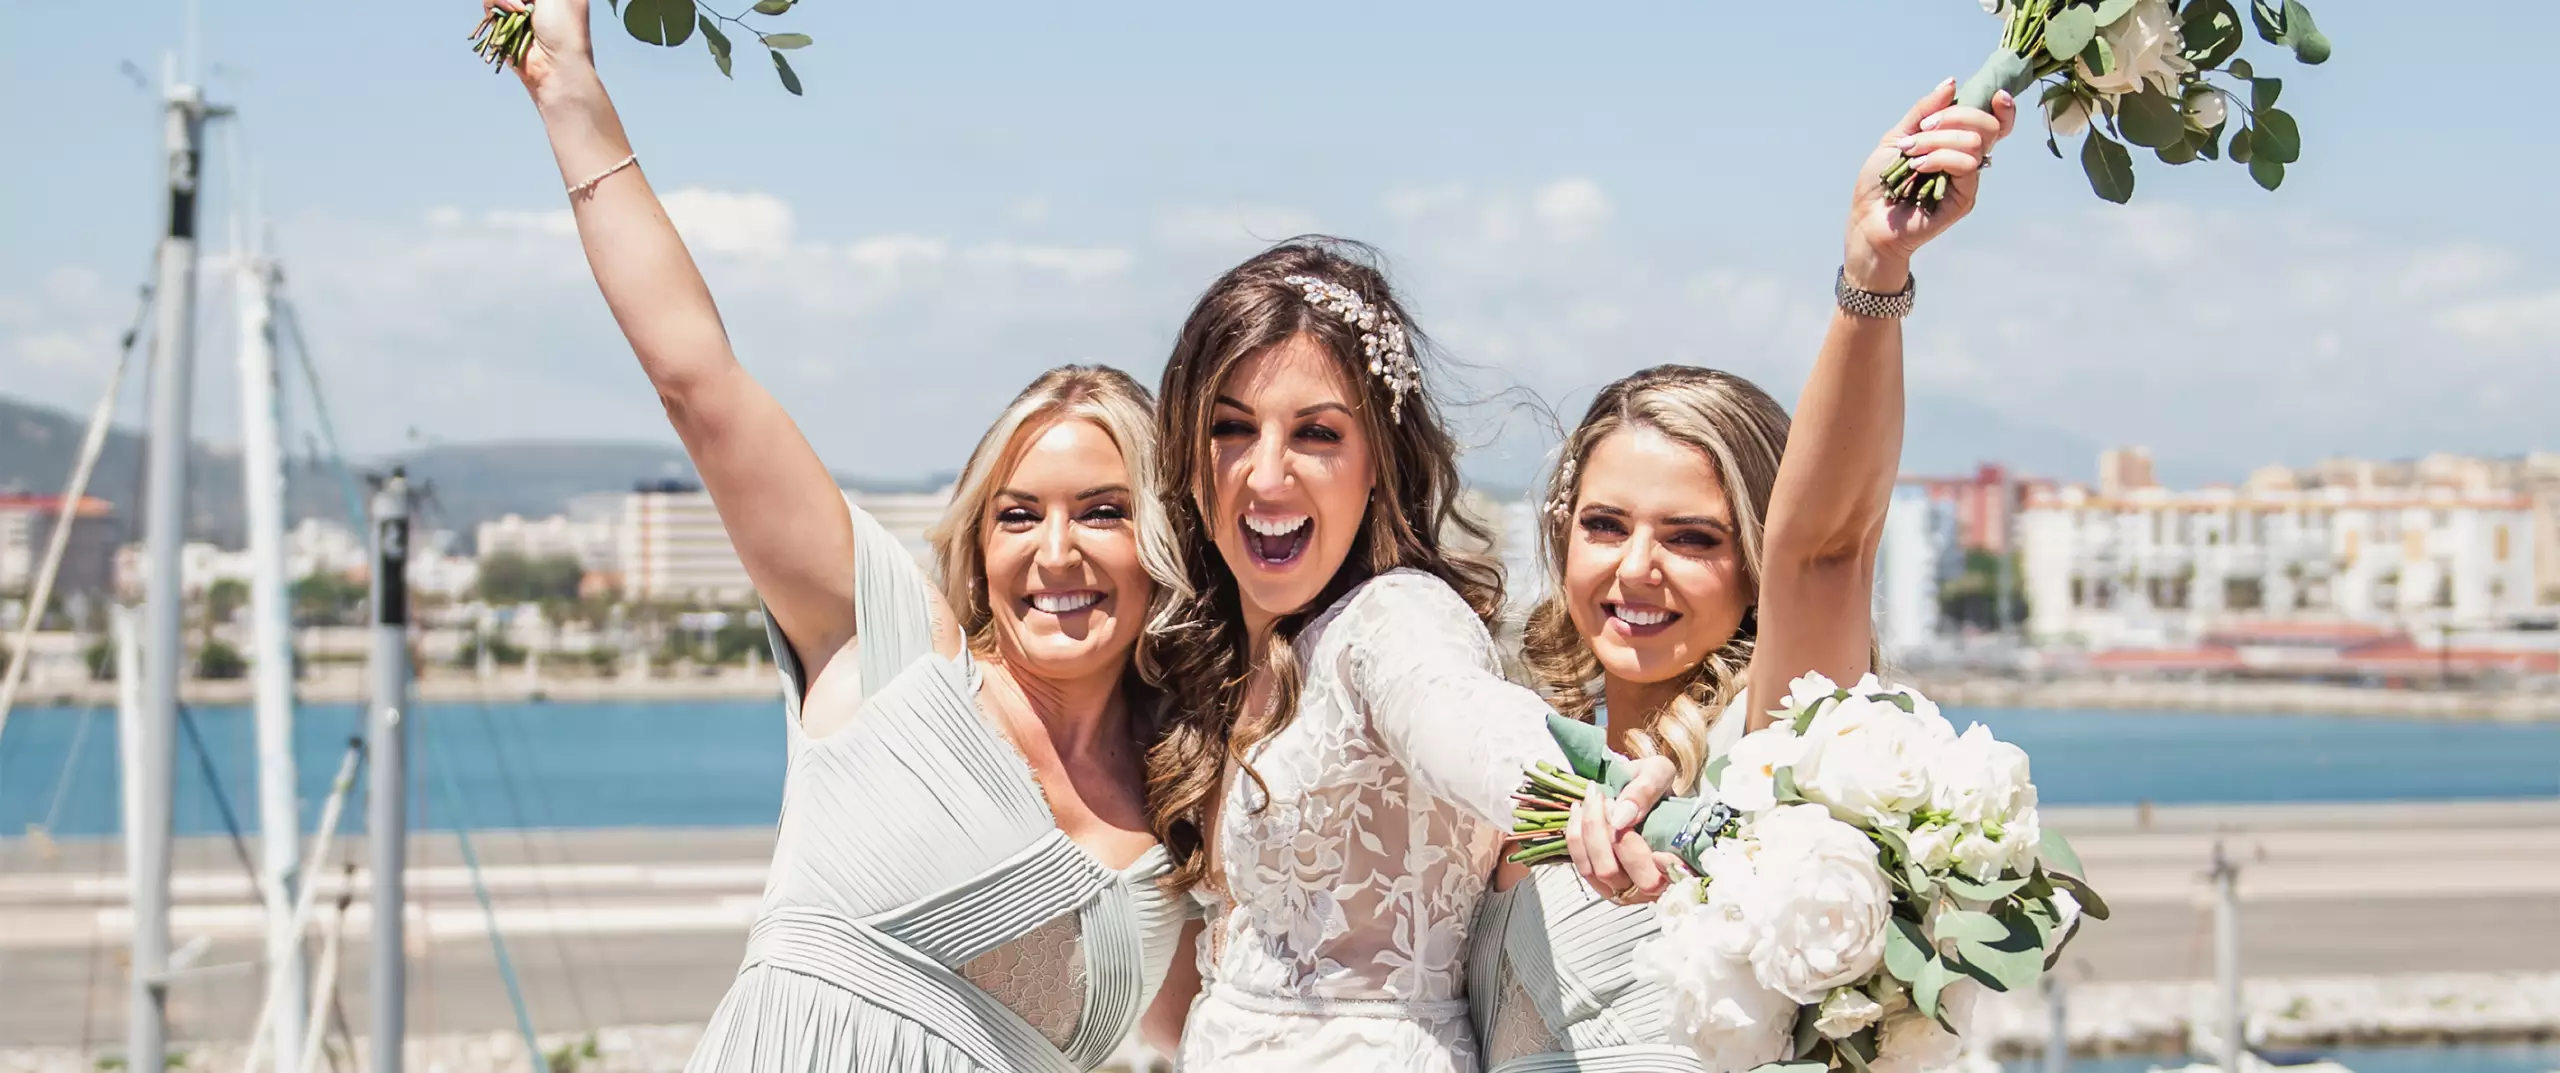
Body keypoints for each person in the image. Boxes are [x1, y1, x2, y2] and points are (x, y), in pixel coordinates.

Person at [480, 1, 1195, 1067]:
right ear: (977, 538)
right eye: (1017, 512)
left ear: (1163, 545)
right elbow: (699, 382)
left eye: (1103, 509)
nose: (1056, 551)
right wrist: (565, 86)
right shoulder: (888, 648)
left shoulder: (1194, 791)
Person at [1465, 79, 2017, 1072]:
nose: (1636, 568)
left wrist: (1872, 271)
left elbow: (1827, 548)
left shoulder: (1765, 754)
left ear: (1753, 566)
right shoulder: (1519, 777)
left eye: (1691, 538)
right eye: (1604, 524)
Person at [1142, 239, 1680, 1073]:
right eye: (1231, 427)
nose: (1267, 473)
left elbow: (1460, 716)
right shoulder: (1216, 658)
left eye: (1317, 433)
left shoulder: (1395, 619)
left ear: (1377, 462)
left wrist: (1584, 795)